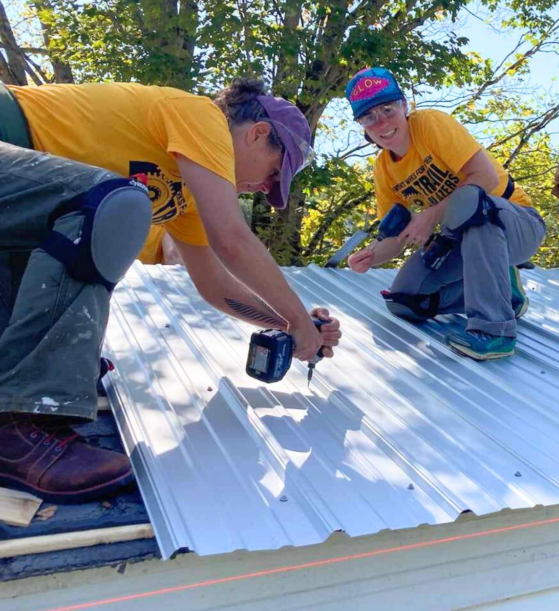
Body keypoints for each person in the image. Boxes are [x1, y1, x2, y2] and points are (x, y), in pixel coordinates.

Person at [0, 78, 341, 502]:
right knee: (115, 204)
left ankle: (16, 416)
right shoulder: (202, 116)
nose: (265, 188)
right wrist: (294, 317)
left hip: (13, 205)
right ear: (257, 133)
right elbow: (232, 240)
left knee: (81, 226)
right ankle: (24, 415)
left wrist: (292, 325)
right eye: (274, 171)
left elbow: (215, 286)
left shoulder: (185, 196)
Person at [344, 67, 545, 360]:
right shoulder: (383, 169)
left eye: (387, 109)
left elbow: (486, 178)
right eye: (369, 117)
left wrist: (430, 215)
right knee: (407, 300)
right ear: (362, 125)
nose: (382, 122)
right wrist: (371, 256)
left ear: (404, 105)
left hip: (514, 223)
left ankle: (494, 331)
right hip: (463, 239)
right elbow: (397, 237)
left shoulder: (430, 124)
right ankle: (507, 295)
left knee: (469, 202)